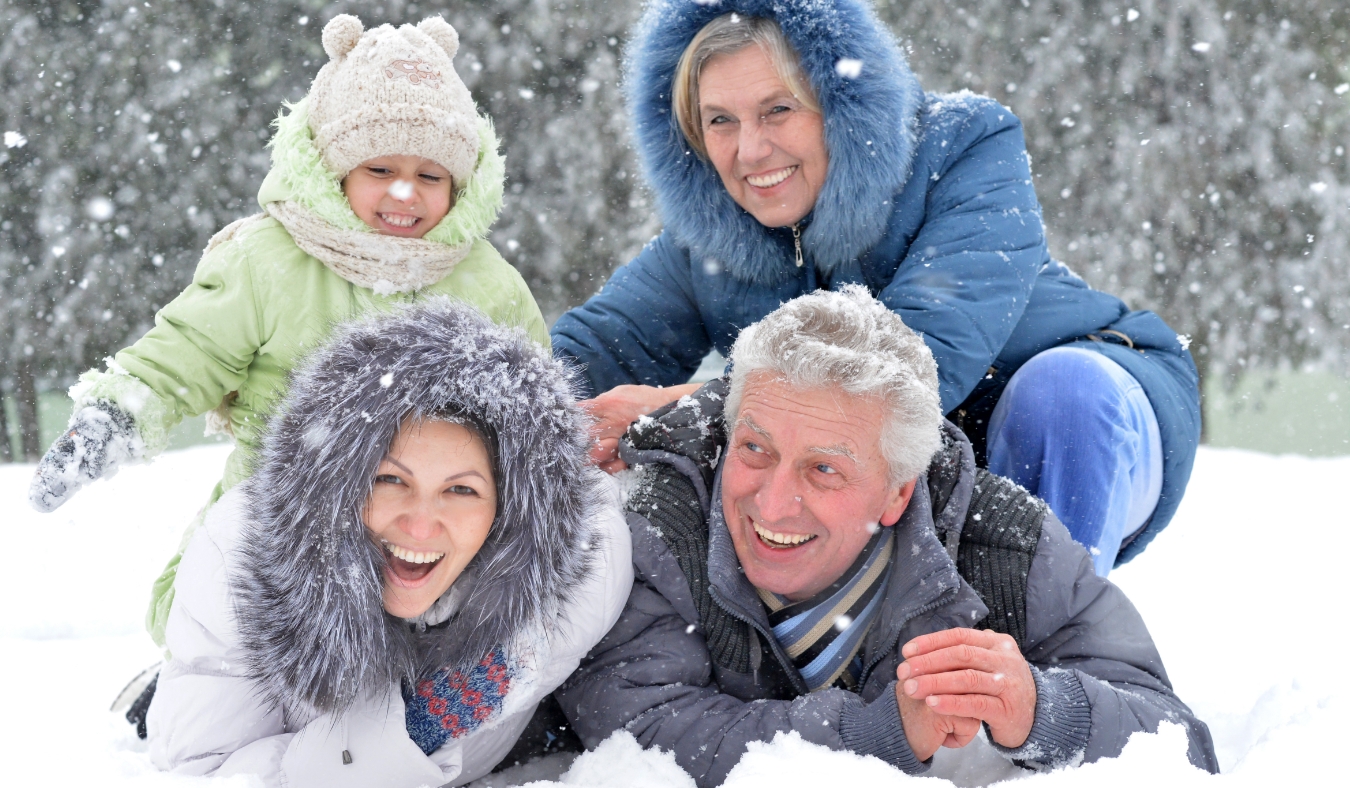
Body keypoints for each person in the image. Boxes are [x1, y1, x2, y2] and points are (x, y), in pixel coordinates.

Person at [549, 0, 1200, 575]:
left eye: (777, 109)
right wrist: (482, 407)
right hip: (906, 473)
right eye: (720, 121)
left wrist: (671, 407)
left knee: (1058, 397)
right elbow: (592, 350)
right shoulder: (710, 239)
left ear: (838, 104)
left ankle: (1044, 663)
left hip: (1090, 412)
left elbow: (911, 366)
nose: (750, 151)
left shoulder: (966, 148)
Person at [554, 287, 1217, 786]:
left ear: (901, 490)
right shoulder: (657, 526)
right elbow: (638, 733)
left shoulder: (1002, 547)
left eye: (824, 469)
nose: (773, 500)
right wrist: (880, 733)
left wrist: (1041, 709)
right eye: (754, 449)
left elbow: (1179, 743)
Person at [27, 14, 549, 643]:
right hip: (284, 512)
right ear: (334, 171)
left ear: (460, 186)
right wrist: (118, 413)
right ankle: (203, 679)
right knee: (226, 615)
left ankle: (428, 703)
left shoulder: (486, 282)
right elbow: (190, 348)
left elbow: (531, 404)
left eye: (431, 175)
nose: (406, 192)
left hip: (427, 527)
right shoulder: (268, 260)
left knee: (470, 620)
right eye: (380, 170)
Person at [145, 301, 632, 787]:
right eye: (390, 480)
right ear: (338, 480)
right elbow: (207, 776)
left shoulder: (577, 568)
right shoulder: (236, 558)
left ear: (509, 510)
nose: (420, 526)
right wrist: (414, 732)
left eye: (461, 490)